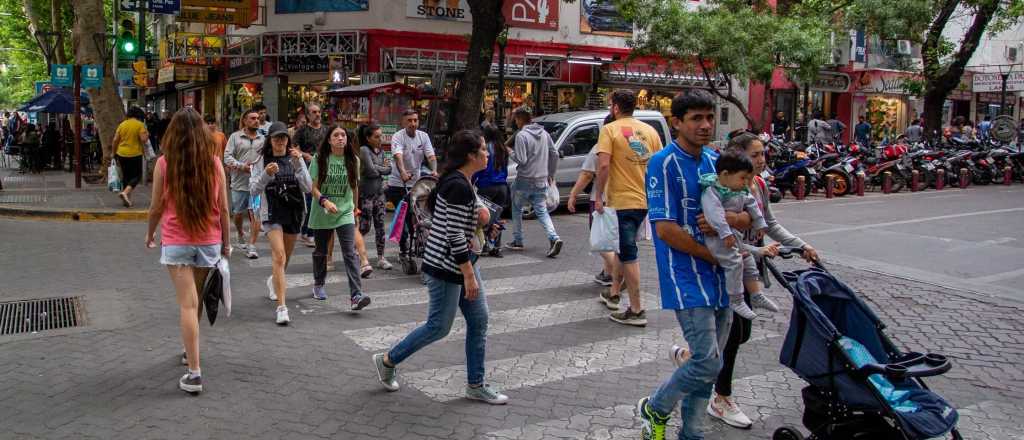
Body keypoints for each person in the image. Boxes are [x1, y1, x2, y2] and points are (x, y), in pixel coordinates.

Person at [688, 132, 819, 430]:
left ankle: (692, 358)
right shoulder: (721, 186)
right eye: (755, 155)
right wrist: (737, 222)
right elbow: (712, 220)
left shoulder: (757, 184)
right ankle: (721, 397)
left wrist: (800, 245)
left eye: (763, 155)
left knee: (740, 333)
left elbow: (768, 224)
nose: (761, 160)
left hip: (752, 265)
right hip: (728, 267)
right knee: (733, 335)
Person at [372, 129, 509, 405]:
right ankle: (388, 360)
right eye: (482, 150)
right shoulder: (457, 184)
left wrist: (486, 226)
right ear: (471, 156)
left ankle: (476, 384)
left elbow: (461, 224)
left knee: (479, 321)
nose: (487, 153)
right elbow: (455, 235)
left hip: (462, 262)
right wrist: (468, 276)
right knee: (439, 326)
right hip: (448, 267)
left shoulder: (464, 180)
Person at [636, 90, 740, 440]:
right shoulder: (662, 163)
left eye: (709, 118)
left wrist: (729, 221)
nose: (706, 125)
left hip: (723, 277)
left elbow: (740, 213)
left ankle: (691, 434)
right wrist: (712, 253)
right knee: (708, 361)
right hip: (687, 277)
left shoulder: (715, 162)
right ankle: (655, 406)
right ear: (676, 122)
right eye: (696, 118)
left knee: (708, 364)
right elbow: (664, 229)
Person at [144, 107, 231, 395]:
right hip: (208, 242)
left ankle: (194, 373)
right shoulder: (214, 163)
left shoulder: (164, 164)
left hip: (177, 241)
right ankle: (188, 351)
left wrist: (149, 233)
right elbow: (225, 209)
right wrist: (227, 243)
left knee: (187, 304)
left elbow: (156, 206)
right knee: (194, 301)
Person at [593, 90, 664, 326]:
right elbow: (659, 165)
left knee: (629, 253)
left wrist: (598, 196)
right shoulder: (650, 131)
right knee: (623, 249)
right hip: (645, 199)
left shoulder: (609, 130)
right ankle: (613, 293)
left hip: (622, 201)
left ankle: (636, 309)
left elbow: (603, 166)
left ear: (614, 107)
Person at [698, 149, 777, 320]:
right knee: (735, 262)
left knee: (747, 259)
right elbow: (715, 215)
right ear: (725, 175)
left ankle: (756, 294)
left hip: (733, 236)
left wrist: (760, 223)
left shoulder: (739, 189)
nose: (746, 183)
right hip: (717, 238)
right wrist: (725, 233)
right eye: (743, 178)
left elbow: (753, 204)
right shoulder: (712, 191)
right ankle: (736, 299)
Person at [250, 122, 312, 325]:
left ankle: (273, 281)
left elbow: (307, 187)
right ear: (270, 139)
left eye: (283, 138)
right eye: (276, 138)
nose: (280, 142)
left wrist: (297, 164)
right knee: (279, 256)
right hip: (272, 213)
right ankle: (282, 308)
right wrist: (266, 174)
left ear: (288, 139)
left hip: (293, 212)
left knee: (285, 259)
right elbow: (253, 190)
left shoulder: (296, 157)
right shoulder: (262, 160)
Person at [309, 125, 371, 309]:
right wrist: (325, 202)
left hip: (344, 211)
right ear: (329, 140)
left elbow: (354, 187)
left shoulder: (353, 160)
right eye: (336, 135)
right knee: (321, 251)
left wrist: (355, 210)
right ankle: (319, 283)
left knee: (350, 253)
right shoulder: (320, 159)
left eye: (343, 134)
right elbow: (313, 188)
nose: (340, 138)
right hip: (323, 211)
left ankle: (356, 296)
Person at [568, 114, 617, 287]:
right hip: (623, 199)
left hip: (601, 199)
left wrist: (573, 194)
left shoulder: (600, 148)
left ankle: (619, 272)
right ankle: (608, 273)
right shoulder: (627, 146)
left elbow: (587, 174)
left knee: (599, 239)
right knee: (611, 238)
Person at [506, 106, 562, 257]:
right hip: (542, 180)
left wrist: (510, 152)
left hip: (524, 179)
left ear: (519, 119)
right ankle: (554, 237)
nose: (515, 123)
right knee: (542, 211)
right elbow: (555, 154)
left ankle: (518, 240)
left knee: (517, 209)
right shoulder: (544, 134)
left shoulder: (521, 135)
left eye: (515, 119)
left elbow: (521, 160)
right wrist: (551, 173)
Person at [385, 109, 438, 265]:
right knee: (404, 217)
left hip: (416, 184)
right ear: (403, 122)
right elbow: (398, 155)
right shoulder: (398, 136)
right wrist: (402, 172)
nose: (413, 124)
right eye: (409, 120)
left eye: (415, 120)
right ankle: (403, 249)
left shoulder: (424, 136)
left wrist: (434, 169)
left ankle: (419, 246)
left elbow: (430, 155)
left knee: (418, 217)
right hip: (398, 184)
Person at [224, 109, 265, 259]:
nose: (256, 120)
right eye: (253, 118)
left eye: (258, 118)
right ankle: (240, 232)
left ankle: (252, 245)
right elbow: (227, 157)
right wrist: (242, 166)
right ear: (245, 121)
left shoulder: (263, 138)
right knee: (238, 213)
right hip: (239, 183)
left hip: (257, 184)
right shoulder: (235, 137)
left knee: (256, 213)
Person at [357, 123, 393, 269]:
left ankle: (381, 257)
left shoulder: (381, 152)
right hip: (366, 195)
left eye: (381, 136)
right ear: (368, 138)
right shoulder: (364, 150)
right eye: (376, 136)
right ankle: (356, 253)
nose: (380, 139)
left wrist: (378, 168)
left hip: (380, 194)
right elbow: (371, 172)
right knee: (365, 226)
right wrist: (380, 169)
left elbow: (389, 169)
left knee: (380, 227)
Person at [294, 103, 329, 247]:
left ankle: (307, 230)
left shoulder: (326, 130)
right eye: (314, 112)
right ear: (308, 115)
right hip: (308, 168)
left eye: (319, 112)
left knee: (321, 198)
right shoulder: (302, 130)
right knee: (311, 200)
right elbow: (293, 148)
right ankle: (308, 233)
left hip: (324, 166)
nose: (317, 114)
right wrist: (305, 155)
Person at [473, 123, 510, 258]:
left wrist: (473, 180)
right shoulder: (503, 149)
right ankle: (496, 247)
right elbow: (505, 169)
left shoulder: (485, 149)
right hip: (502, 186)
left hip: (487, 185)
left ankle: (483, 245)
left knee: (484, 216)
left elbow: (481, 168)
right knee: (497, 217)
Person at [112, 107, 150, 207]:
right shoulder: (140, 125)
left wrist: (113, 152)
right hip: (135, 154)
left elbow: (115, 140)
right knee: (137, 176)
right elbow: (144, 139)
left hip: (121, 153)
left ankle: (127, 199)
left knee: (126, 176)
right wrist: (147, 134)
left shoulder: (122, 125)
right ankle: (125, 193)